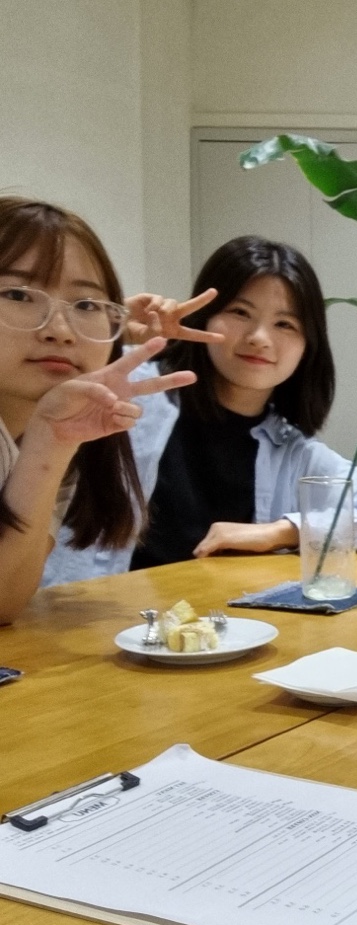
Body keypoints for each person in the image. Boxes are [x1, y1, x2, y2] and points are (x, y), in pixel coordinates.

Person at [45, 236, 357, 584]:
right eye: (241, 312)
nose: (259, 338)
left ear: (308, 346)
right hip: (90, 617)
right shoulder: (131, 388)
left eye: (284, 324)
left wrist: (283, 531)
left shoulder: (289, 449)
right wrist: (110, 332)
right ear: (204, 317)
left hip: (216, 627)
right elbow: (34, 399)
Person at [0, 196, 201, 623]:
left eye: (85, 305)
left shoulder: (51, 426)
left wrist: (53, 442)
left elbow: (4, 600)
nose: (59, 330)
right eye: (18, 294)